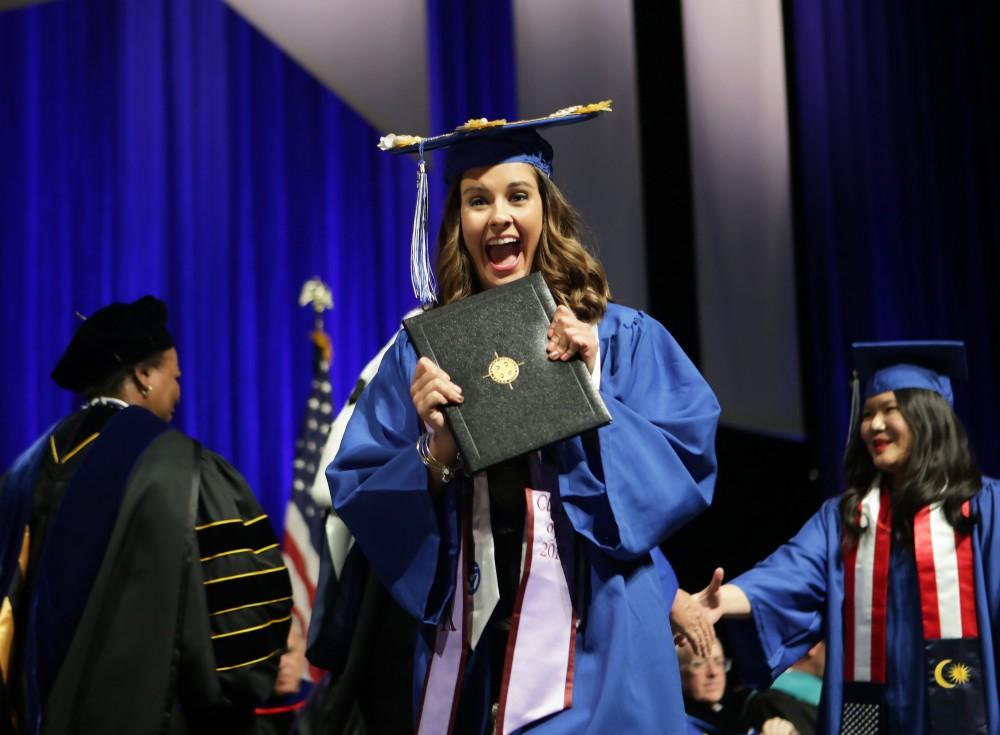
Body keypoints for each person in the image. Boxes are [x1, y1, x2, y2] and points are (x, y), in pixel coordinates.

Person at [327, 103, 721, 734]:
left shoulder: (619, 339)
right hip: (472, 641)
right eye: (478, 200)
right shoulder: (419, 353)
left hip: (604, 641)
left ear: (546, 212)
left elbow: (685, 466)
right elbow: (361, 489)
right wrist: (435, 454)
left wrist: (591, 389)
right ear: (458, 220)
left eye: (518, 196)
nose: (500, 216)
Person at [0, 296, 293, 734]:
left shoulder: (21, 474)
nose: (178, 392)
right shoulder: (184, 469)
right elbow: (242, 643)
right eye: (174, 377)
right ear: (142, 375)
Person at [693, 341, 1000, 735]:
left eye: (890, 410)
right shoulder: (847, 521)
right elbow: (787, 575)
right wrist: (719, 601)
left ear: (929, 416)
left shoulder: (982, 510)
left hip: (962, 705)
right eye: (868, 413)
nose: (874, 425)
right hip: (872, 715)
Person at [678, 638, 796, 735]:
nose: (713, 672)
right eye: (698, 664)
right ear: (679, 673)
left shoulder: (730, 717)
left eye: (718, 661)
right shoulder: (676, 725)